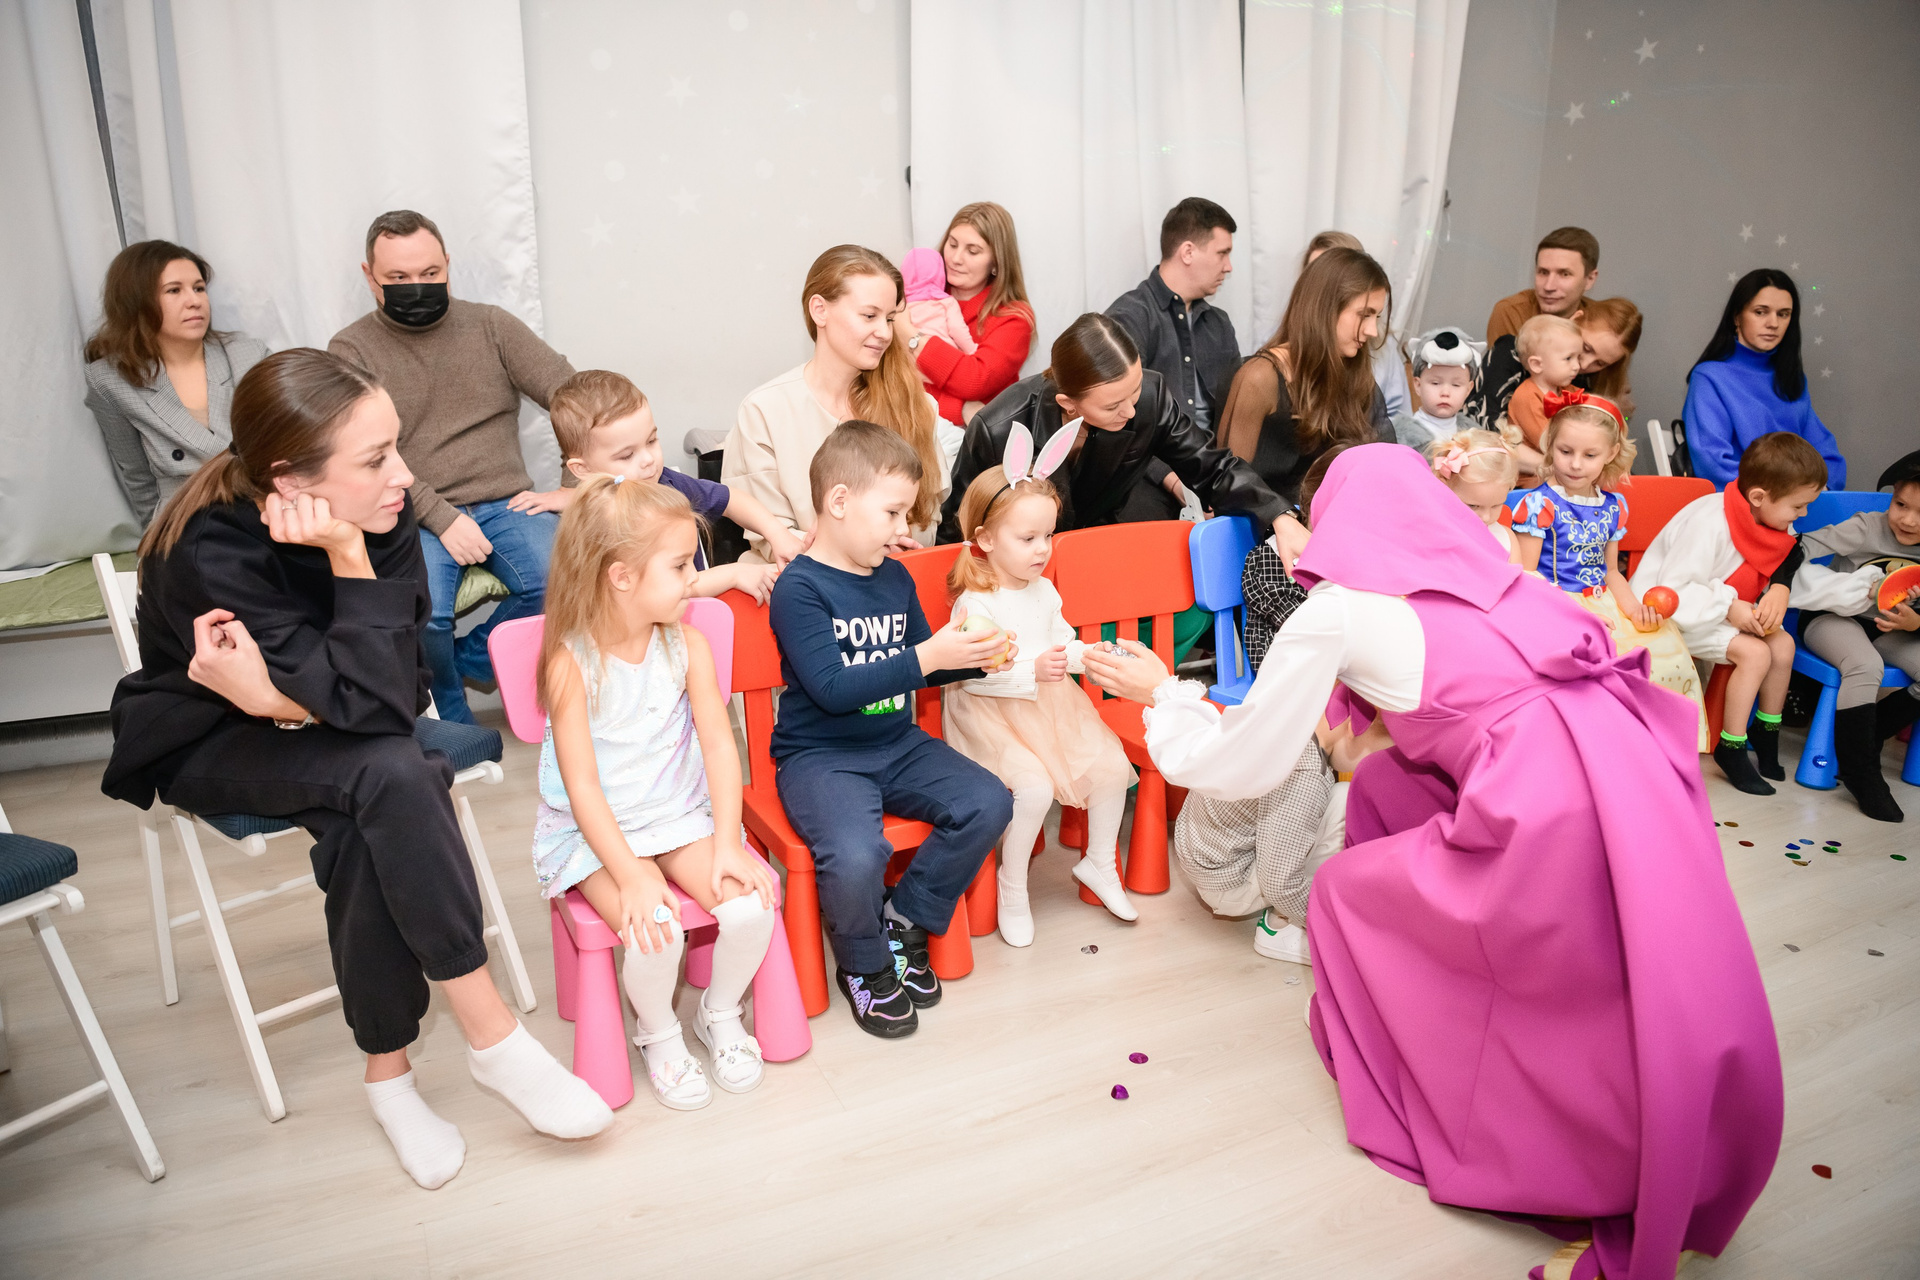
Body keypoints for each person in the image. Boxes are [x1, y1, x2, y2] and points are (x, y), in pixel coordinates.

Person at [1082, 443, 1783, 1280]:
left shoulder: (1339, 611)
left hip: (1542, 794)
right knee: (1580, 946)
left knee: (1345, 892)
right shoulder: (1494, 571)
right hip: (1627, 762)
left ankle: (1471, 1100)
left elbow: (1246, 762)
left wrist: (1166, 694)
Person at [99, 349, 611, 1190]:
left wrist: (341, 560)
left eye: (395, 446)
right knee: (394, 772)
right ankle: (492, 1039)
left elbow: (393, 696)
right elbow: (376, 707)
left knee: (376, 793)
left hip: (332, 730)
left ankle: (390, 1076)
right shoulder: (208, 550)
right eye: (375, 458)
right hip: (210, 736)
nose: (403, 474)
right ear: (288, 479)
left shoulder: (381, 512)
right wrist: (279, 703)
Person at [533, 475, 781, 1106]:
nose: (693, 578)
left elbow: (720, 747)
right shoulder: (570, 665)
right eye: (678, 566)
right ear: (621, 577)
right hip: (597, 833)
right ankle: (659, 1032)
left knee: (752, 905)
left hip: (678, 813)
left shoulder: (687, 645)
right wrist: (631, 876)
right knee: (657, 928)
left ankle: (719, 1013)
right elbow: (582, 788)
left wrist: (728, 843)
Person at [767, 422, 1014, 1038]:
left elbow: (919, 667)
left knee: (989, 801)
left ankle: (902, 920)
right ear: (840, 501)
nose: (905, 528)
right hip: (820, 756)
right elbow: (832, 688)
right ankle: (865, 963)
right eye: (893, 512)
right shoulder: (800, 588)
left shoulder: (894, 577)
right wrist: (930, 655)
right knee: (856, 854)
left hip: (896, 744)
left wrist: (972, 657)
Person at [328, 210, 576, 724]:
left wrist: (574, 486)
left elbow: (574, 397)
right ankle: (450, 708)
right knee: (426, 616)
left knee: (564, 581)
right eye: (398, 277)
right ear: (370, 277)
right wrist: (442, 518)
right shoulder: (350, 349)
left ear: (447, 264)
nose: (416, 287)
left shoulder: (492, 326)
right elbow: (361, 455)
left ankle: (470, 663)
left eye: (429, 273)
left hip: (507, 500)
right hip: (410, 510)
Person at [942, 430, 1139, 946]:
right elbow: (971, 677)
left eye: (1048, 536)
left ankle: (1100, 863)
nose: (1042, 550)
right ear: (986, 539)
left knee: (1111, 766)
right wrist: (1035, 669)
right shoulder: (975, 603)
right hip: (989, 715)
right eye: (1027, 539)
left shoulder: (1045, 589)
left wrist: (1088, 655)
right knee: (1032, 789)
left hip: (1049, 706)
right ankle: (1012, 886)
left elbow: (1060, 644)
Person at [1629, 433, 1848, 796]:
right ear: (1759, 497)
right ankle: (1731, 746)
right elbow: (1674, 588)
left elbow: (1787, 554)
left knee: (1783, 646)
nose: (1804, 514)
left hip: (1722, 608)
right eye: (1798, 506)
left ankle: (1766, 730)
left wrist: (1778, 589)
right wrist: (1730, 607)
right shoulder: (1710, 522)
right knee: (1756, 652)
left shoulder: (1768, 516)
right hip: (1671, 613)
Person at [942, 313, 1284, 540]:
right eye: (1112, 405)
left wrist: (1279, 516)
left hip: (1104, 542)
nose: (1131, 409)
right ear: (1068, 403)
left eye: (1134, 390)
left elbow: (1214, 468)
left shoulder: (1151, 397)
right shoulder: (999, 429)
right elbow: (960, 525)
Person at [723, 245, 954, 562]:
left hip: (895, 581)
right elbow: (772, 535)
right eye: (869, 316)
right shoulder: (763, 411)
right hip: (801, 584)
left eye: (890, 319)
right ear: (819, 310)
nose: (884, 333)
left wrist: (891, 544)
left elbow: (927, 520)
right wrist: (860, 550)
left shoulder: (916, 406)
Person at [1513, 394, 1707, 749]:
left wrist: (1634, 611)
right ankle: (1597, 747)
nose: (1575, 464)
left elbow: (1611, 572)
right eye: (1565, 451)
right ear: (1550, 445)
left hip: (1603, 601)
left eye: (1590, 455)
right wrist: (1574, 614)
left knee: (1662, 650)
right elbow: (1527, 577)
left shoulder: (1614, 506)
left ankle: (1650, 747)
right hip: (1555, 604)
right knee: (1601, 661)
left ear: (1611, 452)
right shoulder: (1539, 504)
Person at [551, 370, 805, 603]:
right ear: (583, 470)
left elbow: (731, 499)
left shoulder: (666, 482)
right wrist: (734, 573)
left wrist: (777, 533)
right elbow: (667, 589)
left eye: (651, 441)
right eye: (627, 456)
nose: (648, 459)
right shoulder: (600, 524)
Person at [1214, 245, 1392, 571]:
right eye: (1364, 315)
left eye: (1377, 317)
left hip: (1335, 545)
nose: (1372, 331)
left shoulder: (1356, 377)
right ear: (1325, 308)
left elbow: (1382, 461)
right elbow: (1226, 482)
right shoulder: (1260, 378)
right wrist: (1282, 517)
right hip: (1265, 553)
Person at [83, 240, 268, 525]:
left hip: (264, 509)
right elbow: (139, 479)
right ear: (137, 302)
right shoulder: (110, 380)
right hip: (187, 519)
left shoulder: (249, 355)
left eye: (199, 288)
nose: (194, 301)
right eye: (174, 290)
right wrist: (159, 538)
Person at [1795, 451, 1920, 819]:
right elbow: (1802, 546)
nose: (1908, 520)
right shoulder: (1867, 527)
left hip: (1891, 628)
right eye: (1900, 504)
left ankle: (1868, 733)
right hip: (1833, 618)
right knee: (1865, 666)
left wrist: (1914, 623)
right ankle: (1861, 771)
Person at [1106, 197, 1241, 508]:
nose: (1228, 266)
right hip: (1149, 475)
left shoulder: (1219, 324)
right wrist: (1172, 479)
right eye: (1222, 253)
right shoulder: (1130, 317)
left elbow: (1235, 411)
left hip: (1211, 470)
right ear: (1188, 252)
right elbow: (1119, 420)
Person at [1683, 268, 1846, 489]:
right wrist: (1780, 496)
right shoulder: (1709, 377)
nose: (1773, 323)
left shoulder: (1792, 379)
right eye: (1760, 312)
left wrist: (1815, 491)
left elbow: (1829, 458)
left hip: (1800, 503)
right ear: (1737, 316)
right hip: (1743, 502)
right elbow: (1712, 463)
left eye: (1783, 314)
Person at [906, 202, 1036, 427]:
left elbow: (974, 380)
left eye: (972, 251)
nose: (956, 258)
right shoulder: (917, 298)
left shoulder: (1014, 319)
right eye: (952, 244)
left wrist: (908, 334)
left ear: (996, 263)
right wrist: (962, 407)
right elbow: (893, 380)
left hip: (976, 439)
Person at [1478, 296, 1643, 433]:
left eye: (1600, 363)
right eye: (1586, 348)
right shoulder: (1510, 353)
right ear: (1575, 320)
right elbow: (1488, 430)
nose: (1584, 365)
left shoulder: (1582, 387)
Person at [1301, 230, 1410, 419]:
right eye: (1312, 274)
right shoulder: (1276, 355)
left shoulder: (1382, 347)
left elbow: (1400, 418)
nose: (1318, 287)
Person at [1501, 314, 1585, 478]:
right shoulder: (1526, 397)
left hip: (1568, 466)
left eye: (1578, 358)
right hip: (1534, 478)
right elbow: (1547, 442)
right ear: (1537, 364)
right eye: (1568, 358)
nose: (1577, 366)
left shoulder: (1570, 391)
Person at [1484, 225, 1600, 343]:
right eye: (1543, 272)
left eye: (1564, 274)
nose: (1548, 287)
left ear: (1590, 279)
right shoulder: (1511, 312)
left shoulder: (1602, 321)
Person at [1429, 428, 1522, 565]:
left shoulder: (1507, 540)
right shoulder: (1435, 536)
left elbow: (1518, 577)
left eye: (1496, 505)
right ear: (1445, 488)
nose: (1486, 517)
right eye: (1473, 506)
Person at [1390, 327, 1486, 452]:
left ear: (1468, 389)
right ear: (1418, 385)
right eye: (1435, 383)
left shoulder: (1476, 438)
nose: (1445, 393)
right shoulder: (1399, 439)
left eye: (1456, 385)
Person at [901, 248, 976, 356]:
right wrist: (972, 350)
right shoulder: (946, 301)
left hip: (910, 357)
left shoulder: (902, 305)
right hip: (944, 355)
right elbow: (957, 329)